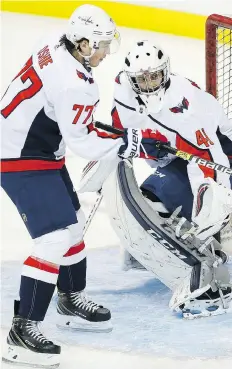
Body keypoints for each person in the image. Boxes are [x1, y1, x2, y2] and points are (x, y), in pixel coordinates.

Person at [0, 8, 166, 368]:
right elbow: (85, 142)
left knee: (72, 223)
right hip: (20, 159)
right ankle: (21, 332)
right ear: (85, 43)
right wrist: (132, 144)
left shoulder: (52, 45)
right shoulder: (77, 83)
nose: (106, 53)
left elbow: (71, 118)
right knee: (55, 238)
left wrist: (127, 137)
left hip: (37, 149)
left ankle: (70, 299)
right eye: (102, 46)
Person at [105, 40, 232, 318]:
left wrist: (209, 213)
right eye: (142, 78)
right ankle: (152, 253)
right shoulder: (125, 92)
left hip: (220, 157)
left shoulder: (186, 108)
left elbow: (212, 161)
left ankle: (209, 264)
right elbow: (122, 130)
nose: (149, 83)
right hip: (180, 159)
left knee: (204, 210)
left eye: (154, 76)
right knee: (151, 200)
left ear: (166, 72)